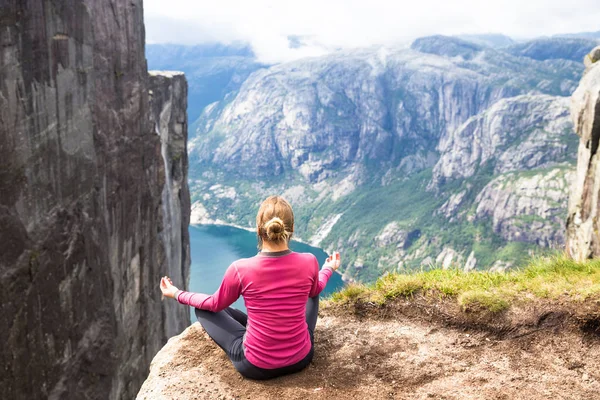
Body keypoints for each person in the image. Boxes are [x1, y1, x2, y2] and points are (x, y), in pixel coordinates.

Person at [159, 195, 341, 380]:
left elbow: (214, 304)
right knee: (313, 291)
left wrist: (176, 293)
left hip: (256, 366)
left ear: (258, 229)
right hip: (301, 359)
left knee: (205, 309)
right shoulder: (309, 261)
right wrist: (328, 268)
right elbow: (316, 288)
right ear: (291, 228)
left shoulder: (241, 269)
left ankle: (261, 335)